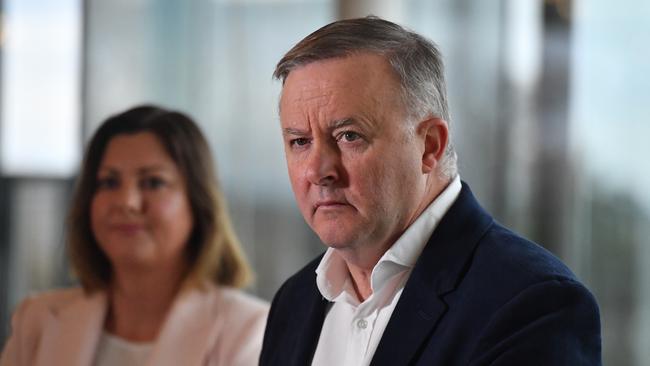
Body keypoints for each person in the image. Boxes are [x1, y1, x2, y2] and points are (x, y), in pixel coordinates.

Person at [259, 16, 601, 366]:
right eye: (299, 141)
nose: (318, 171)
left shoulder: (534, 305)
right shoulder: (293, 303)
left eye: (349, 136)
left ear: (429, 146)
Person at [0, 105, 268, 366]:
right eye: (109, 182)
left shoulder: (250, 330)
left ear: (198, 204)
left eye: (153, 182)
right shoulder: (38, 321)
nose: (127, 202)